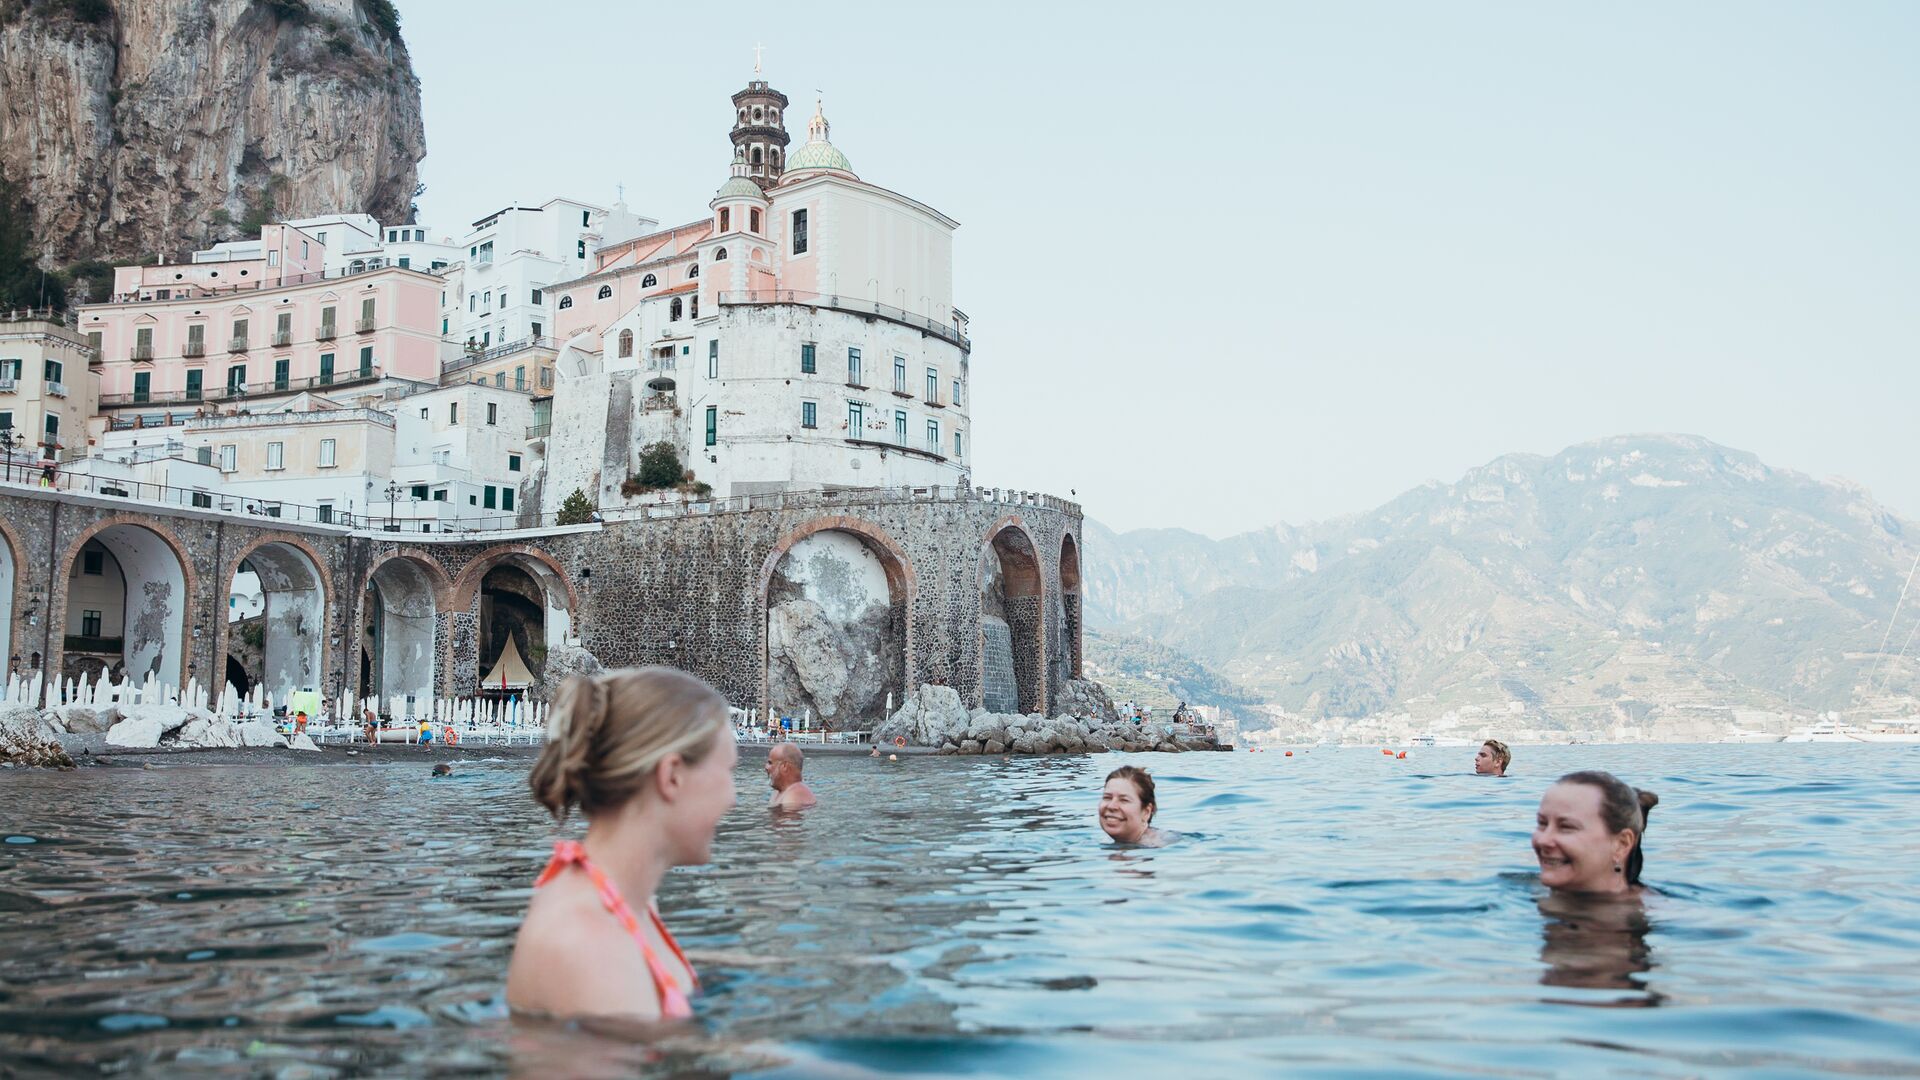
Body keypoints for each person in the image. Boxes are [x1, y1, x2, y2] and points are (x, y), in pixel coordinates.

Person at [506, 667, 737, 1022]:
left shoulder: (628, 903)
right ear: (671, 776)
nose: (732, 799)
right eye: (728, 772)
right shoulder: (586, 945)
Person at [1533, 770, 1660, 895]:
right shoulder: (1530, 892)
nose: (1543, 840)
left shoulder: (1659, 913)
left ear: (1622, 844)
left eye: (1566, 827)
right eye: (1542, 823)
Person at [1099, 765, 1168, 847]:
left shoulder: (1157, 845)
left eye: (1124, 800)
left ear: (1146, 812)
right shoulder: (1110, 841)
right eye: (1107, 797)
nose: (1111, 806)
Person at [766, 742, 817, 810]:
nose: (766, 767)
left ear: (784, 766)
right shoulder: (781, 792)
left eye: (770, 763)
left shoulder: (793, 798)